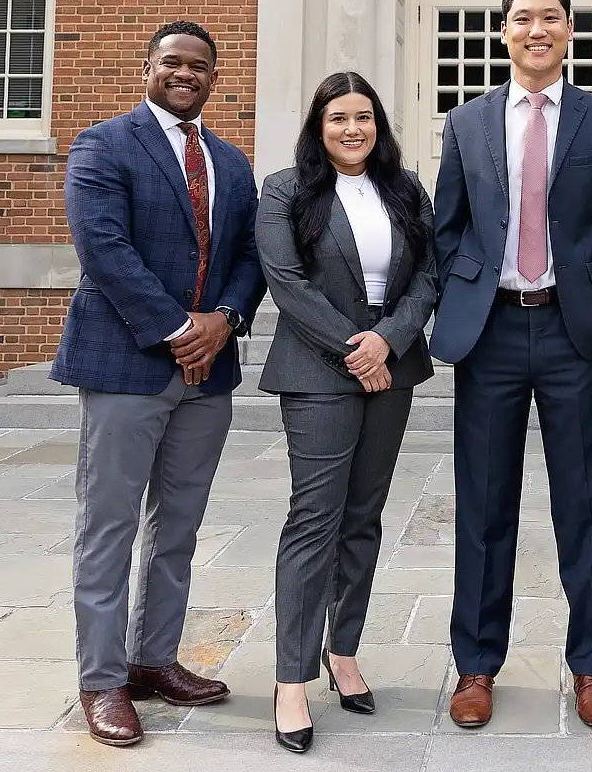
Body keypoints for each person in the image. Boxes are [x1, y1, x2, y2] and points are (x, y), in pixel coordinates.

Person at [431, 0, 592, 730]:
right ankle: (477, 665)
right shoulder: (467, 123)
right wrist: (459, 301)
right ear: (504, 32)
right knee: (484, 506)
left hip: (569, 332)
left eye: (550, 17)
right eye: (522, 18)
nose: (535, 29)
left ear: (569, 31)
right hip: (489, 333)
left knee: (586, 504)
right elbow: (445, 227)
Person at [52, 20, 266, 747]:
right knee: (108, 526)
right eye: (172, 62)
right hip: (126, 364)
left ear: (214, 76)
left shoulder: (233, 164)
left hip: (210, 376)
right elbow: (103, 250)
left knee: (177, 527)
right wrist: (181, 330)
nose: (186, 74)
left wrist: (226, 319)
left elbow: (249, 257)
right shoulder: (103, 145)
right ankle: (103, 679)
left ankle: (153, 658)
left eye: (199, 66)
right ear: (147, 67)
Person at [254, 72, 439, 753]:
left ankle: (345, 650)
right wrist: (354, 348)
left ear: (378, 124)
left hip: (392, 367)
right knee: (314, 521)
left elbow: (429, 273)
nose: (353, 129)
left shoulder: (404, 187)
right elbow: (285, 281)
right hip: (318, 371)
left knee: (363, 517)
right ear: (319, 125)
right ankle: (292, 680)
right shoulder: (285, 189)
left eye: (364, 117)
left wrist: (388, 339)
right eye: (339, 118)